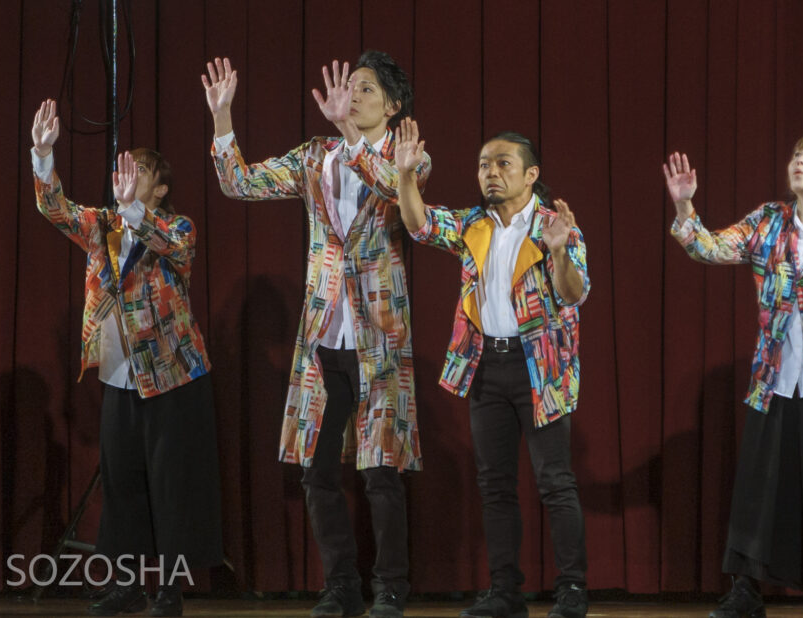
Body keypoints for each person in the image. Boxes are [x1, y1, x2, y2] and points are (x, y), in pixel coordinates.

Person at [202, 53, 429, 618]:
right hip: (324, 336)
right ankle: (340, 586)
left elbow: (391, 193)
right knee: (318, 471)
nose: (351, 95)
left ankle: (392, 588)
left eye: (367, 89)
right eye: (348, 86)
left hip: (379, 340)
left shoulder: (409, 158)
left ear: (393, 106)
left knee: (381, 471)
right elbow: (239, 183)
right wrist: (223, 117)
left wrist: (349, 134)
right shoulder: (315, 157)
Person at [662, 136, 803, 618]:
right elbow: (711, 248)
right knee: (759, 486)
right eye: (795, 156)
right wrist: (685, 207)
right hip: (776, 377)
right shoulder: (768, 220)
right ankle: (745, 589)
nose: (799, 162)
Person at [31, 99, 222, 617]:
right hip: (120, 376)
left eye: (141, 171)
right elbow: (57, 210)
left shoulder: (176, 229)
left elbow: (164, 241)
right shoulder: (104, 227)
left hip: (173, 377)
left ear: (159, 188)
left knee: (170, 486)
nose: (128, 175)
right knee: (122, 484)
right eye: (124, 168)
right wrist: (43, 155)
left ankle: (171, 590)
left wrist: (135, 213)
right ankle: (128, 584)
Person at [395, 122, 590, 618]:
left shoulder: (555, 225)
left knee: (555, 481)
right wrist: (405, 177)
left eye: (503, 163)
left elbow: (572, 294)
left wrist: (560, 249)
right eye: (485, 164)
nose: (491, 173)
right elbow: (419, 225)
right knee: (495, 484)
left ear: (531, 175)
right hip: (487, 366)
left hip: (538, 369)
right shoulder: (473, 225)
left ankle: (571, 590)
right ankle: (505, 592)